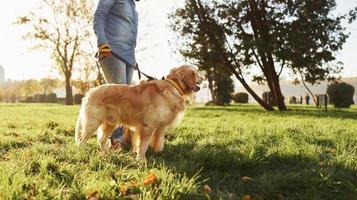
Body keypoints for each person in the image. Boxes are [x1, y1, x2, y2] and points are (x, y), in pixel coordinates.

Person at [93, 0, 139, 149]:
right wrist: (102, 42)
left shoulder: (132, 4)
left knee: (127, 102)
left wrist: (133, 58)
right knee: (117, 100)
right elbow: (99, 16)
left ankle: (124, 138)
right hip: (112, 50)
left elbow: (131, 32)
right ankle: (114, 141)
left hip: (128, 55)